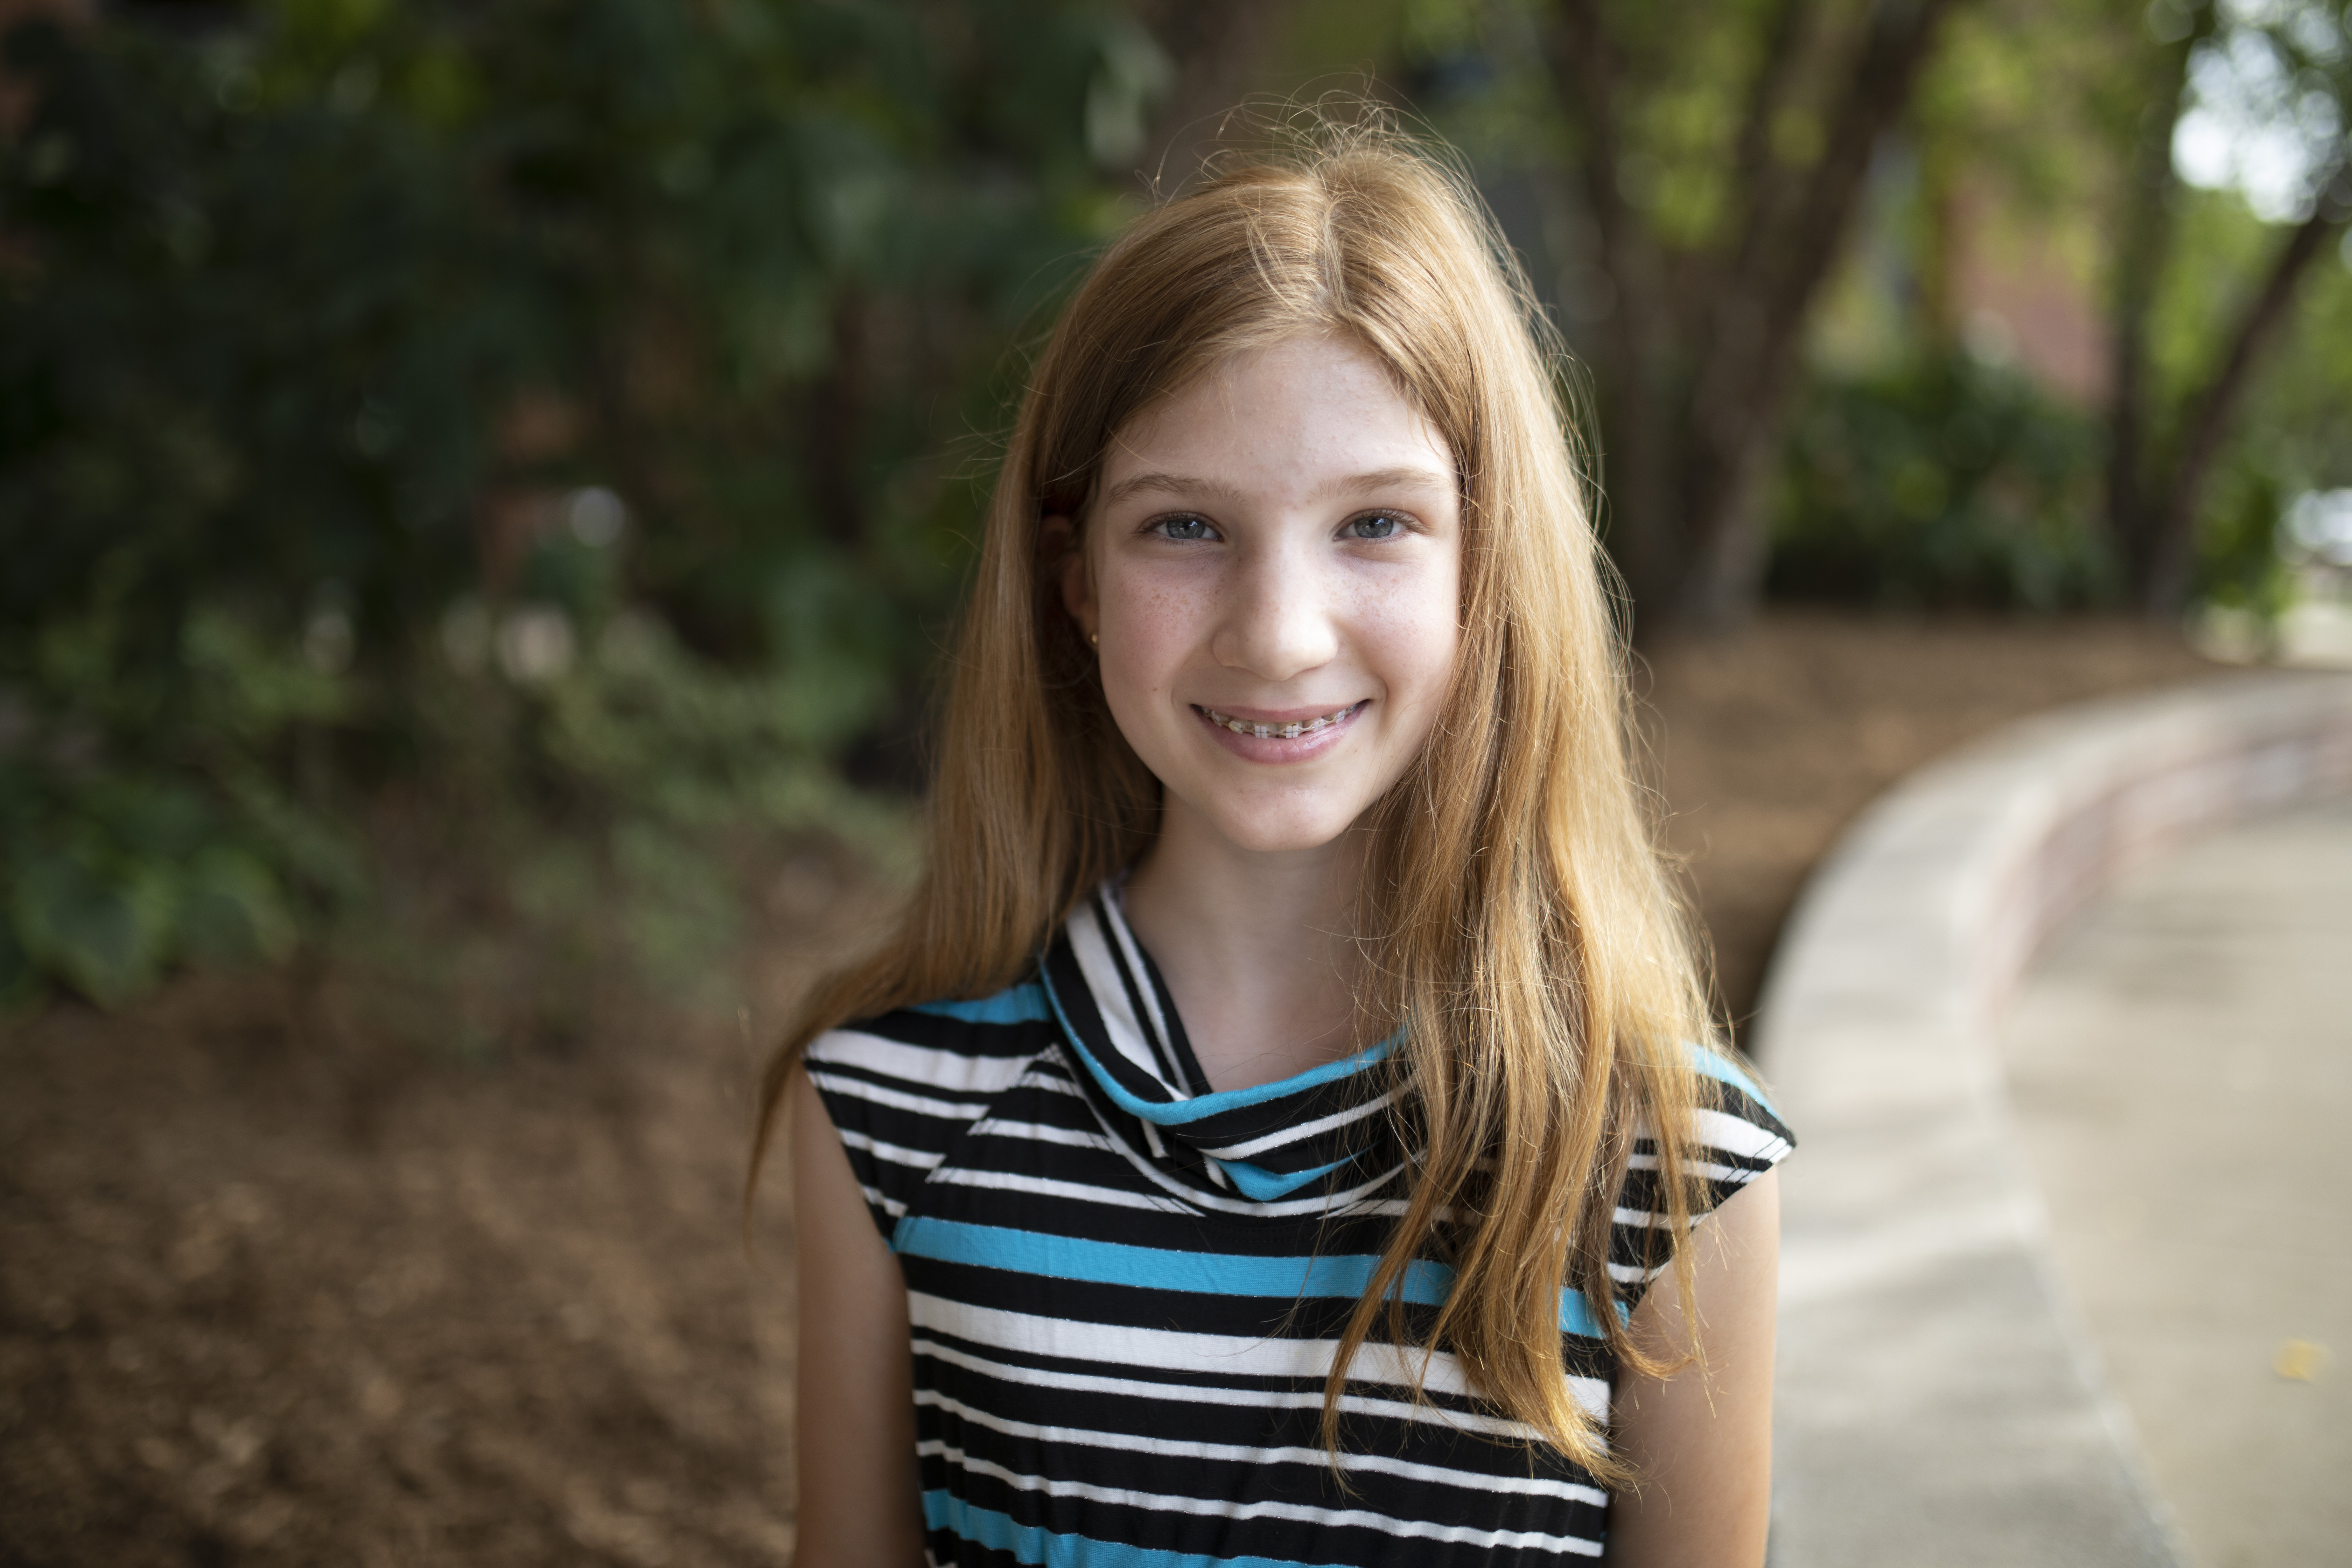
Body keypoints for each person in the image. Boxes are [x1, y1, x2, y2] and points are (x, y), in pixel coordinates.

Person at [751, 115, 1794, 1567]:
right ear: (1076, 581)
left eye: (1374, 522)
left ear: (1488, 572)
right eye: (1184, 527)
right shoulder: (892, 1112)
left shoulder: (1669, 1164)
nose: (1280, 634)